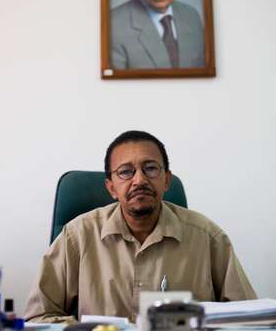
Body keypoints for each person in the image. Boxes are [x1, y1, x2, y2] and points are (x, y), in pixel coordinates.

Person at [24, 131, 256, 325]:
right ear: (111, 187)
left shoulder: (207, 237)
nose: (139, 180)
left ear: (166, 179)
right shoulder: (77, 237)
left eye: (150, 169)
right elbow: (38, 318)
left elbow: (249, 318)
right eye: (126, 172)